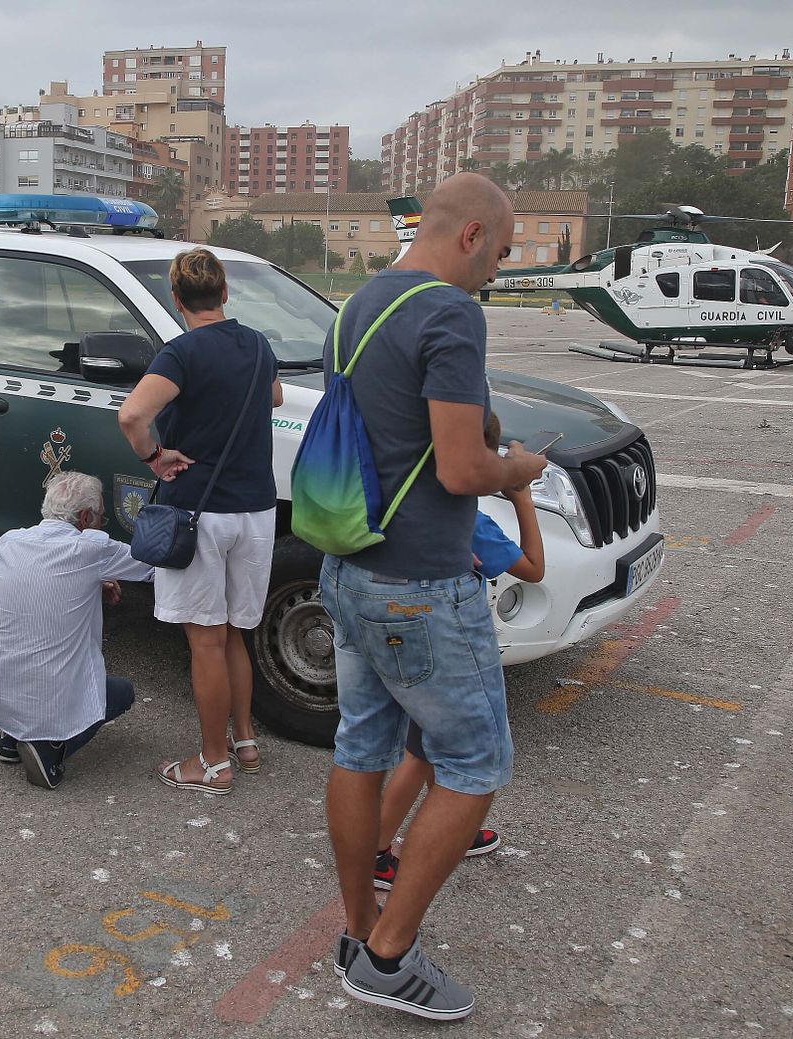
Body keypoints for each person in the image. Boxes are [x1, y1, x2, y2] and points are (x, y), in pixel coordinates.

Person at [319, 173, 548, 1022]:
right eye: (503, 249)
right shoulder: (453, 313)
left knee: (361, 745)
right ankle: (387, 955)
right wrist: (520, 470)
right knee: (476, 763)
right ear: (471, 236)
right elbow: (461, 467)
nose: (500, 266)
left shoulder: (360, 301)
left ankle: (359, 929)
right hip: (421, 584)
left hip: (349, 568)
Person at [117, 247, 282, 796]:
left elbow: (132, 415)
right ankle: (245, 738)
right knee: (235, 632)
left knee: (205, 641)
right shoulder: (257, 344)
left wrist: (152, 456)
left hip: (201, 513)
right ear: (225, 293)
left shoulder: (181, 353)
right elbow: (275, 395)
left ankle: (212, 764)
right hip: (256, 510)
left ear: (177, 298)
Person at [372, 412, 545, 890]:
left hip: (397, 621)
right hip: (447, 637)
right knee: (430, 748)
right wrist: (522, 494)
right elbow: (533, 567)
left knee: (428, 741)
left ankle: (453, 828)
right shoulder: (472, 520)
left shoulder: (409, 499)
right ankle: (378, 848)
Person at [0, 472, 155, 790]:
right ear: (86, 517)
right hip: (47, 699)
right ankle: (50, 748)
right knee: (121, 693)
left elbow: (23, 587)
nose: (103, 523)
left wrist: (95, 579)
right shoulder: (92, 548)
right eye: (101, 516)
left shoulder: (11, 540)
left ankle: (12, 737)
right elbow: (154, 567)